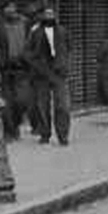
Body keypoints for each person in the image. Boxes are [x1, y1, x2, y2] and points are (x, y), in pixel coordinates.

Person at [26, 8, 71, 145]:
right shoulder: (35, 33)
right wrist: (35, 64)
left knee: (62, 105)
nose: (49, 16)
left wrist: (65, 64)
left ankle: (63, 135)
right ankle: (45, 133)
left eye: (51, 14)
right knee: (42, 105)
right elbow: (28, 51)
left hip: (59, 72)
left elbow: (69, 48)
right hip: (42, 72)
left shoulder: (62, 31)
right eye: (46, 14)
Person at [0, 3, 32, 140]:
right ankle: (10, 131)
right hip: (5, 67)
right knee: (7, 102)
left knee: (22, 101)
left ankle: (16, 123)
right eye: (7, 8)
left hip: (22, 67)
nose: (10, 10)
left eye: (12, 7)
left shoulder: (26, 24)